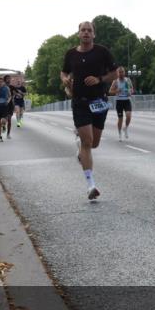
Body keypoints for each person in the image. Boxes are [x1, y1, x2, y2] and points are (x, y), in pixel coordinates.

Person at [60, 21, 117, 200]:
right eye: (83, 30)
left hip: (99, 101)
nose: (86, 33)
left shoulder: (102, 52)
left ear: (94, 35)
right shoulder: (71, 54)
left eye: (89, 30)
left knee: (94, 144)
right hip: (80, 102)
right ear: (78, 34)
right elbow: (63, 72)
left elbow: (115, 73)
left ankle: (81, 150)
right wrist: (65, 79)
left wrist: (99, 79)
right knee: (87, 141)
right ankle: (90, 185)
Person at [109, 66, 134, 140]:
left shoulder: (128, 80)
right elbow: (110, 91)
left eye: (122, 72)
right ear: (117, 73)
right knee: (120, 119)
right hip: (119, 101)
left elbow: (132, 89)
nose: (121, 74)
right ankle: (119, 133)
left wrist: (130, 92)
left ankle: (125, 128)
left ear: (124, 72)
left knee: (128, 116)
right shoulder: (115, 82)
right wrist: (116, 91)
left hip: (126, 100)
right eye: (119, 72)